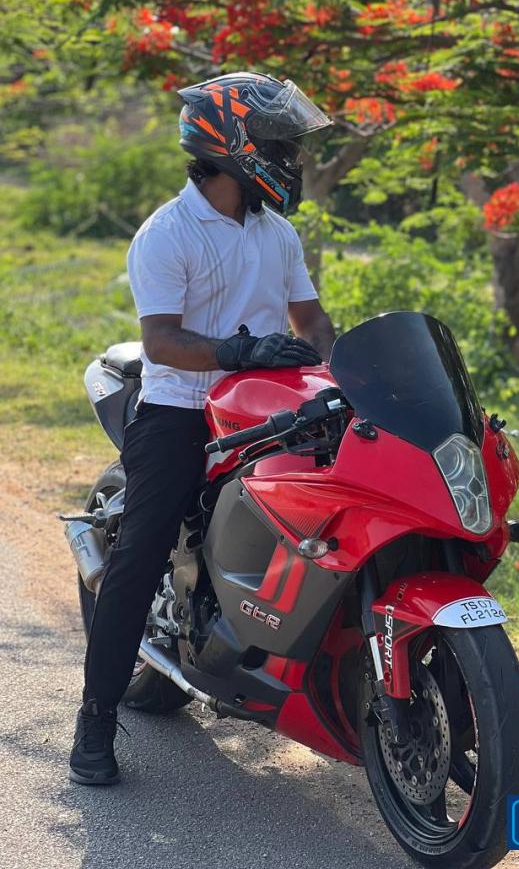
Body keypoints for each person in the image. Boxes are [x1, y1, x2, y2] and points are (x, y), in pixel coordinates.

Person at [69, 72, 336, 785]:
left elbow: (309, 319)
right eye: (281, 143)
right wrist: (242, 349)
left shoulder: (276, 232)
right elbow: (160, 340)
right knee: (141, 554)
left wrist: (342, 371)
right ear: (234, 148)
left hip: (266, 410)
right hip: (181, 408)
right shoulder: (169, 232)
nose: (292, 158)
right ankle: (94, 720)